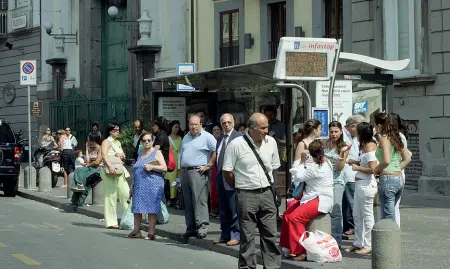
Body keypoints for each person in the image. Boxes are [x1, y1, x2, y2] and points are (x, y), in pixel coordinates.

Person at [223, 113, 281, 269]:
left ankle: (272, 266)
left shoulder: (271, 142)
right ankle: (248, 267)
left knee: (270, 234)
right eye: (262, 128)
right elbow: (227, 171)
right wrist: (239, 187)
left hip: (267, 193)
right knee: (247, 236)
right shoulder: (236, 145)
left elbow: (275, 167)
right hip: (246, 194)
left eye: (267, 127)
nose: (266, 131)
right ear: (251, 128)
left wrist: (273, 188)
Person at [280, 140, 334, 261]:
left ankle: (301, 250)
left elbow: (296, 177)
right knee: (286, 215)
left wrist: (302, 161)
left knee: (294, 218)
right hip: (312, 197)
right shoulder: (325, 162)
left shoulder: (315, 168)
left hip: (320, 199)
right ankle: (288, 246)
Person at [180, 115, 217, 239]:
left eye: (196, 124)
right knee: (188, 201)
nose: (193, 126)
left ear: (201, 124)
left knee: (199, 200)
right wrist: (180, 177)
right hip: (185, 171)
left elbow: (216, 149)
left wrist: (209, 165)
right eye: (191, 124)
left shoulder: (207, 136)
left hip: (198, 172)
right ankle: (191, 227)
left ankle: (202, 227)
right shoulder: (186, 137)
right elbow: (182, 156)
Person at [126, 132, 167, 240]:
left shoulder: (157, 152)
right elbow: (137, 170)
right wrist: (132, 184)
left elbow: (164, 167)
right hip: (139, 184)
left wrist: (151, 166)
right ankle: (136, 231)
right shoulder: (140, 153)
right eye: (144, 140)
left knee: (151, 208)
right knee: (137, 208)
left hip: (152, 184)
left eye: (149, 140)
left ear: (153, 141)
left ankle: (151, 232)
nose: (147, 142)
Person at [345, 122, 378, 255]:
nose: (356, 135)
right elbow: (364, 163)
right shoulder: (364, 146)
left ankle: (368, 245)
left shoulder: (370, 146)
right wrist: (355, 162)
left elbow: (373, 169)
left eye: (357, 133)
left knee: (367, 216)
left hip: (366, 185)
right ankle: (358, 242)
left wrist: (357, 168)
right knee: (357, 215)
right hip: (360, 184)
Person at [373, 113, 411, 221]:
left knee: (387, 217)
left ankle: (390, 238)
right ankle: (393, 237)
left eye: (375, 125)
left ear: (380, 125)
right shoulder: (396, 137)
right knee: (391, 212)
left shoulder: (385, 138)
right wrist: (397, 168)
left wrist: (376, 170)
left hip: (387, 179)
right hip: (398, 179)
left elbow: (386, 160)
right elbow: (407, 158)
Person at [212, 114, 242, 247]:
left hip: (232, 177)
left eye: (229, 122)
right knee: (223, 208)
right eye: (224, 123)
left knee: (233, 208)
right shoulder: (220, 139)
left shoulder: (239, 138)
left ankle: (236, 235)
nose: (226, 125)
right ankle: (225, 235)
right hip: (220, 177)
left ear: (233, 123)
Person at [323, 121, 351, 247]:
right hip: (323, 180)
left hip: (337, 181)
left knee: (336, 211)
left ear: (341, 132)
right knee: (324, 210)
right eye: (331, 132)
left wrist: (341, 154)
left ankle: (337, 240)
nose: (333, 134)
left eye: (336, 132)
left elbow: (340, 167)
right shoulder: (324, 143)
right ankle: (325, 238)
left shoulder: (344, 147)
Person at [100, 123, 130, 229]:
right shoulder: (106, 141)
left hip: (120, 171)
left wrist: (121, 156)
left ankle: (129, 220)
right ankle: (111, 222)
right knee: (110, 196)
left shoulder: (118, 142)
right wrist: (110, 166)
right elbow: (103, 155)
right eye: (116, 130)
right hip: (111, 171)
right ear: (110, 131)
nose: (118, 131)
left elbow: (123, 157)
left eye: (118, 129)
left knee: (126, 194)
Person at [341, 115, 365, 236]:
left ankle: (350, 226)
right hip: (348, 173)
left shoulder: (356, 137)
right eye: (359, 125)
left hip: (352, 173)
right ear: (352, 126)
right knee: (350, 203)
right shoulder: (344, 137)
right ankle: (351, 226)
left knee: (350, 202)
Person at [70, 134, 103, 206]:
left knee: (86, 181)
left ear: (93, 141)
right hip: (91, 168)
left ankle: (79, 201)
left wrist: (89, 165)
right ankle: (79, 186)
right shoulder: (91, 149)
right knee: (78, 170)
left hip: (98, 169)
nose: (88, 142)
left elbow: (97, 162)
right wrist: (87, 150)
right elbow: (88, 161)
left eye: (89, 141)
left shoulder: (101, 148)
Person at [165, 120, 183, 207]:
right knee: (170, 181)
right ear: (171, 127)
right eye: (175, 127)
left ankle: (176, 198)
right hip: (170, 164)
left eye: (178, 127)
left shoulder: (181, 138)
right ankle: (170, 198)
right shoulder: (168, 138)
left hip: (179, 164)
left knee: (177, 180)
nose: (177, 129)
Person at [209, 123, 222, 217]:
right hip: (211, 167)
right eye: (214, 130)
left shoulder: (223, 141)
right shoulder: (210, 142)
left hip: (221, 167)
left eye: (218, 129)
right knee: (212, 187)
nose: (216, 131)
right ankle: (213, 208)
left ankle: (219, 208)